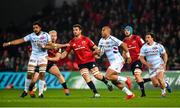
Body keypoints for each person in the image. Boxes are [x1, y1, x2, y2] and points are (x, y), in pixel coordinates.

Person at [59, 24, 113, 98]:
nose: (74, 31)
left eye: (76, 30)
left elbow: (94, 47)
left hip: (90, 60)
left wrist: (97, 51)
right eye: (73, 30)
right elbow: (66, 52)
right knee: (86, 77)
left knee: (97, 75)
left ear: (80, 31)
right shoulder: (71, 42)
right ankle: (96, 93)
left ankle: (106, 83)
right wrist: (61, 56)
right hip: (81, 63)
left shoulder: (86, 39)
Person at [3, 22, 51, 98]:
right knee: (29, 74)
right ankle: (25, 91)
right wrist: (9, 43)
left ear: (40, 28)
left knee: (42, 74)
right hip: (34, 56)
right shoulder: (31, 36)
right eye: (34, 28)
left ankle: (40, 93)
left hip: (43, 56)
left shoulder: (46, 35)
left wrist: (43, 46)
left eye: (36, 27)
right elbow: (20, 40)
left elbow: (50, 46)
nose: (35, 29)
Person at [24, 30, 70, 97]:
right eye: (52, 36)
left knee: (59, 74)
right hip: (40, 64)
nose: (53, 37)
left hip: (49, 64)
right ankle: (30, 90)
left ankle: (66, 89)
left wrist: (49, 58)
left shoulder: (58, 47)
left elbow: (57, 58)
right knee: (34, 80)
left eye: (54, 36)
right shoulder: (44, 44)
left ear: (56, 37)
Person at [95, 26, 135, 100]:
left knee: (107, 76)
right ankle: (130, 94)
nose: (102, 32)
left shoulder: (112, 39)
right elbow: (101, 52)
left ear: (108, 31)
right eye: (101, 30)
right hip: (113, 62)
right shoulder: (101, 40)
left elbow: (124, 45)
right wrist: (98, 55)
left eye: (103, 30)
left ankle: (126, 79)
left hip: (118, 60)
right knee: (114, 82)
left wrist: (128, 56)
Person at [139, 32, 172, 97]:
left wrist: (165, 63)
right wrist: (146, 64)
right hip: (151, 68)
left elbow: (164, 54)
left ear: (152, 38)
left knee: (160, 79)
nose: (146, 39)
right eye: (146, 37)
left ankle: (163, 92)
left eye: (148, 37)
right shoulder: (144, 47)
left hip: (159, 65)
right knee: (156, 84)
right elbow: (141, 58)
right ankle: (166, 84)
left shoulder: (158, 45)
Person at [123, 25, 151, 97]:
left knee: (137, 74)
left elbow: (144, 46)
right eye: (125, 30)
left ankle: (143, 94)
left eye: (128, 30)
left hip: (138, 60)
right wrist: (123, 60)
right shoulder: (124, 41)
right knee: (138, 79)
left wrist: (141, 55)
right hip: (131, 62)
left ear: (131, 31)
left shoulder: (137, 38)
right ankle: (151, 79)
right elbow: (124, 52)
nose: (126, 31)